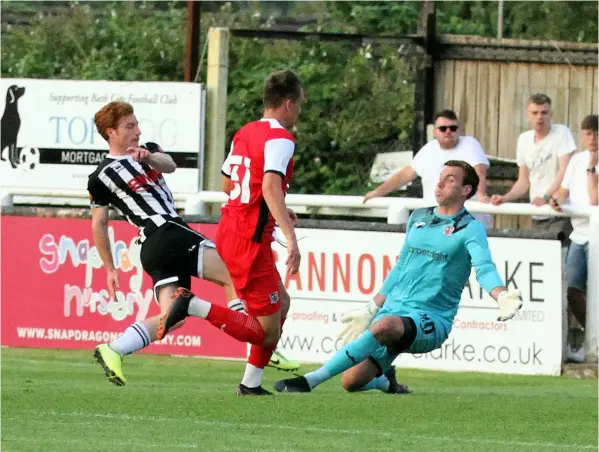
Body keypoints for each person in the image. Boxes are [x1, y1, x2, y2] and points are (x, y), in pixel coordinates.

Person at [88, 100, 291, 393]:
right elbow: (99, 224)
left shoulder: (149, 149)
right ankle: (257, 339)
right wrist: (109, 267)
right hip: (165, 233)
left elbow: (169, 165)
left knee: (173, 317)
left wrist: (148, 157)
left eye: (136, 124)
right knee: (234, 273)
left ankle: (114, 349)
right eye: (129, 126)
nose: (137, 131)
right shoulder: (100, 176)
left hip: (155, 248)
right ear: (111, 132)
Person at [274, 160, 522, 394]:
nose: (439, 183)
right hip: (394, 310)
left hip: (431, 318)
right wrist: (372, 308)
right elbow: (402, 266)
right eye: (440, 178)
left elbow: (484, 268)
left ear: (466, 189)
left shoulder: (470, 228)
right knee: (350, 382)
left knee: (385, 325)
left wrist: (500, 294)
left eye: (449, 180)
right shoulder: (419, 217)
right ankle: (386, 382)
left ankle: (310, 381)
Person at [160, 70, 305, 395]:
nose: (298, 113)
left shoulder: (245, 132)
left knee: (281, 303)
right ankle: (192, 305)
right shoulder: (281, 138)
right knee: (267, 332)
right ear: (287, 103)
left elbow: (229, 183)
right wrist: (291, 238)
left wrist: (275, 206)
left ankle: (251, 383)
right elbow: (269, 185)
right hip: (248, 241)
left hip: (231, 228)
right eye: (299, 106)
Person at [364, 109, 492, 228]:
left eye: (453, 128)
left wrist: (481, 195)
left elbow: (478, 170)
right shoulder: (428, 150)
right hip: (436, 224)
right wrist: (378, 192)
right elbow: (405, 175)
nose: (448, 131)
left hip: (467, 223)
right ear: (435, 132)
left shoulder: (470, 144)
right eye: (443, 128)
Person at [490, 93, 576, 236]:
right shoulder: (524, 139)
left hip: (560, 210)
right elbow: (523, 181)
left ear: (551, 114)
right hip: (537, 213)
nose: (539, 117)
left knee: (559, 255)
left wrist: (546, 197)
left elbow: (565, 171)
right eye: (535, 113)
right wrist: (504, 198)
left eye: (544, 112)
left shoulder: (561, 133)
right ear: (528, 115)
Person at [549, 114, 598, 363]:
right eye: (589, 133)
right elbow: (564, 191)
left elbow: (594, 199)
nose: (593, 139)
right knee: (571, 289)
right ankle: (593, 338)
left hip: (597, 236)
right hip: (579, 235)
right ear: (582, 135)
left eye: (597, 134)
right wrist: (554, 200)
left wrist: (593, 167)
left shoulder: (586, 163)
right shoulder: (576, 161)